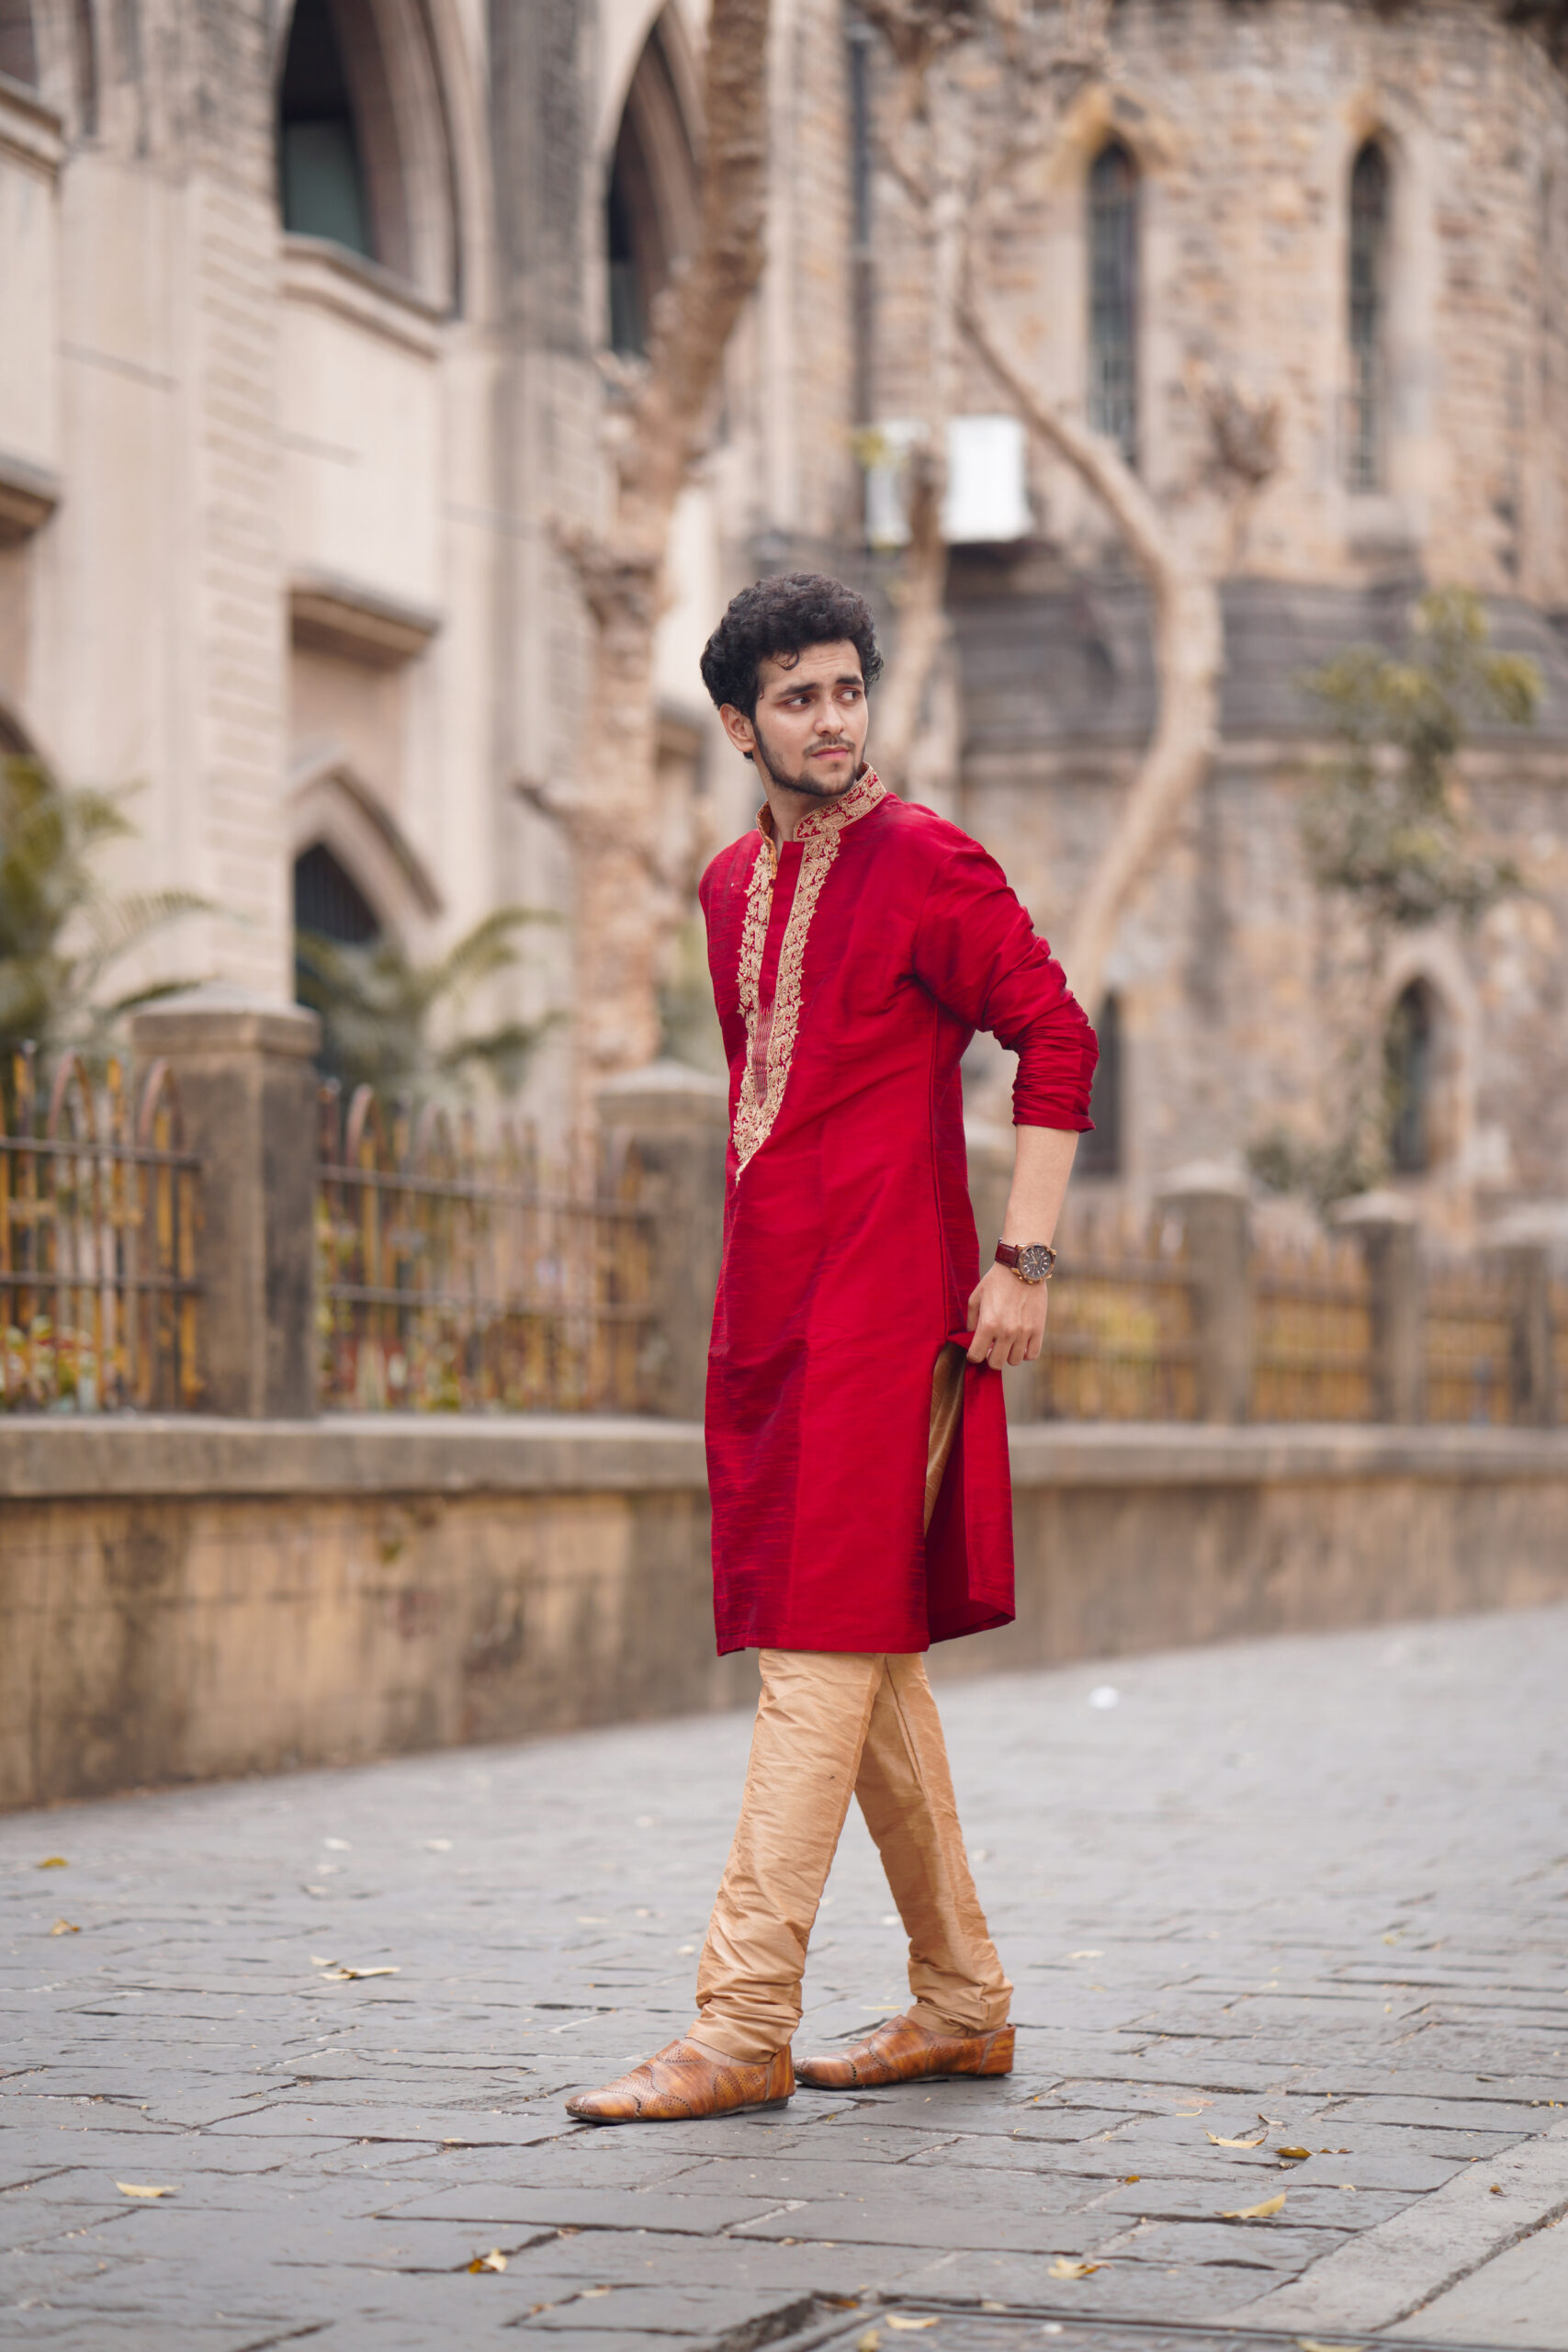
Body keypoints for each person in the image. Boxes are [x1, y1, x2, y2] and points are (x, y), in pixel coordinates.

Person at [566, 573, 1097, 2123]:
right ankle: (963, 2003)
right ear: (739, 725)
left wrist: (1024, 1260)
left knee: (814, 1645)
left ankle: (739, 2023)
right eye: (797, 698)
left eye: (847, 690)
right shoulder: (728, 886)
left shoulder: (927, 859)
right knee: (860, 1658)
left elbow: (1056, 1036)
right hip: (772, 1310)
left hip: (893, 1305)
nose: (831, 720)